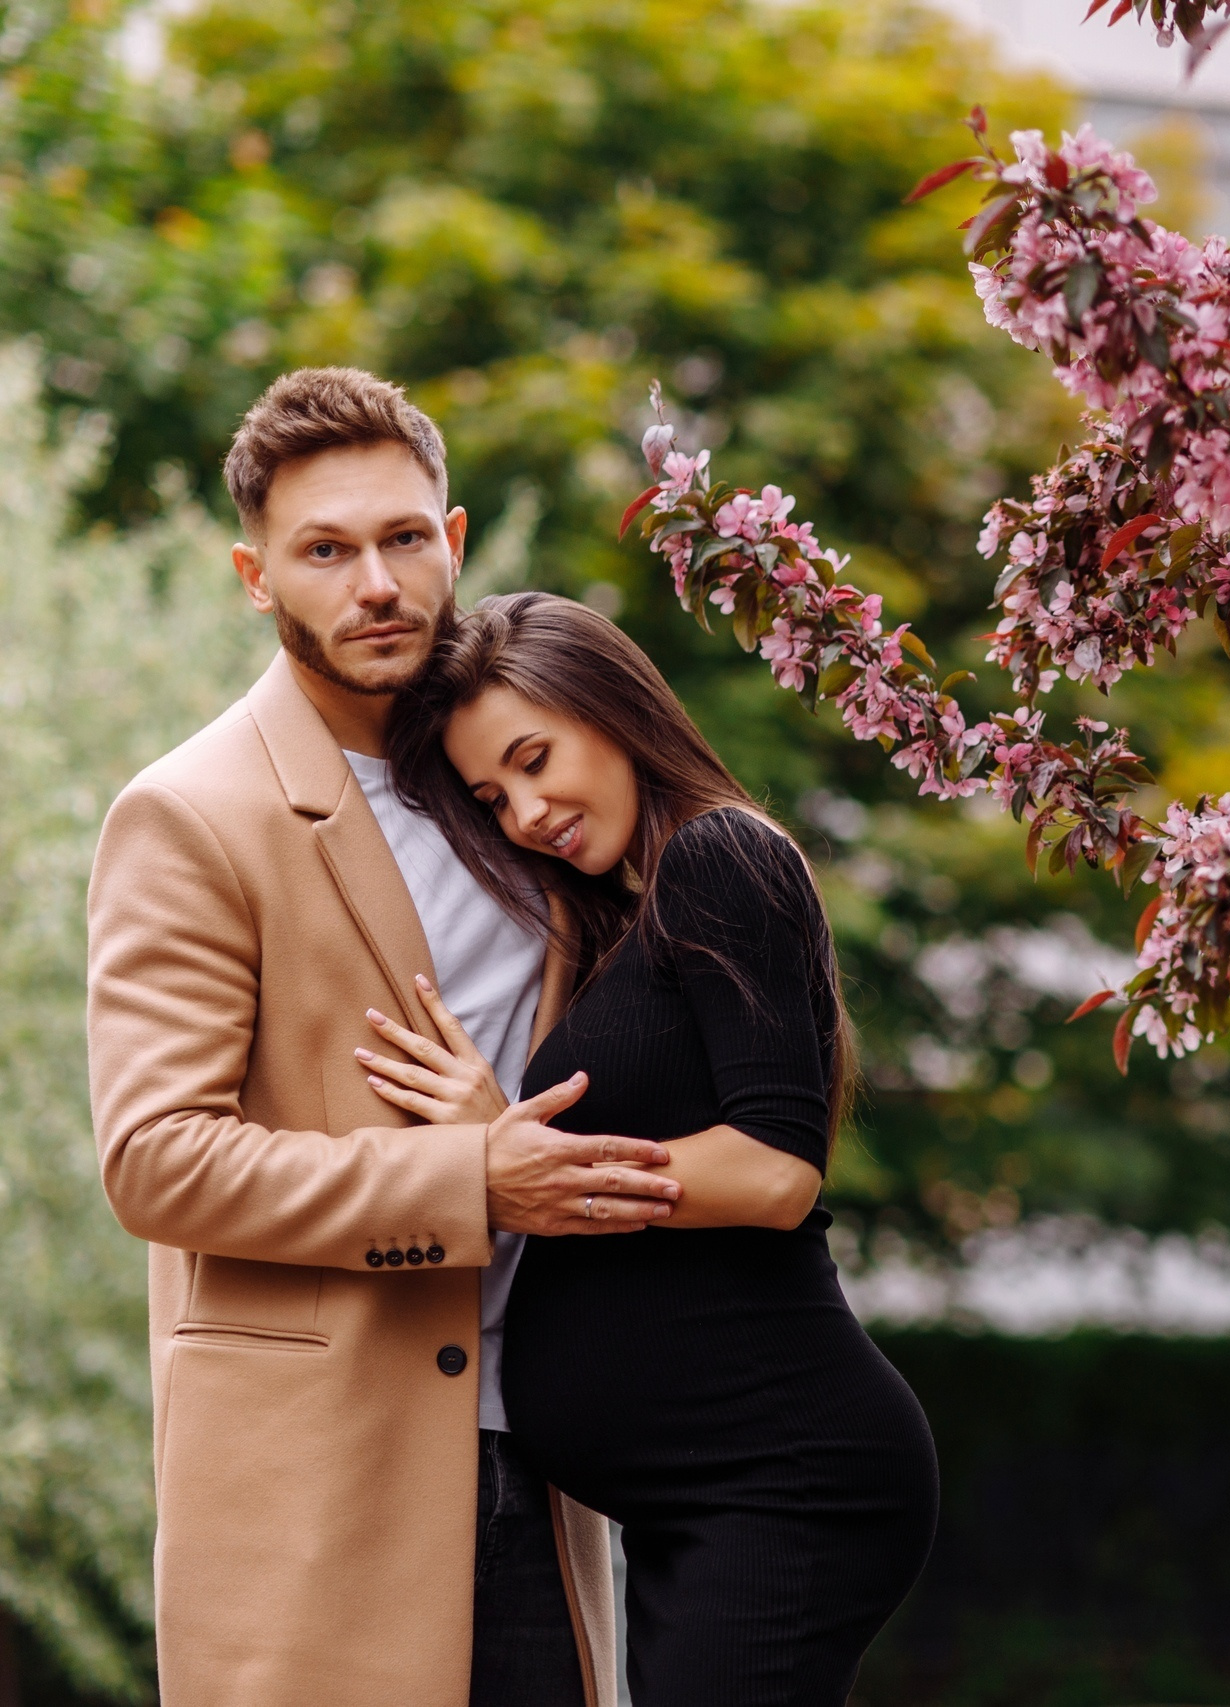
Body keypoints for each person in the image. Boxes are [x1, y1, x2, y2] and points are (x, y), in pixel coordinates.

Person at [86, 367, 681, 1705]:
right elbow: (156, 1157)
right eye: (327, 549)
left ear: (454, 540)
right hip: (323, 1486)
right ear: (256, 574)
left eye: (405, 538)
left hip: (548, 1452)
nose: (377, 582)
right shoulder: (188, 814)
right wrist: (471, 1180)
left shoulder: (521, 783)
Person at [364, 591, 939, 1706]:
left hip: (785, 1479)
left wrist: (510, 1159)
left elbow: (775, 1172)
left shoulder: (723, 856)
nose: (526, 813)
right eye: (494, 796)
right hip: (704, 1494)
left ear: (611, 706)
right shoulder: (631, 918)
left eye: (536, 760)